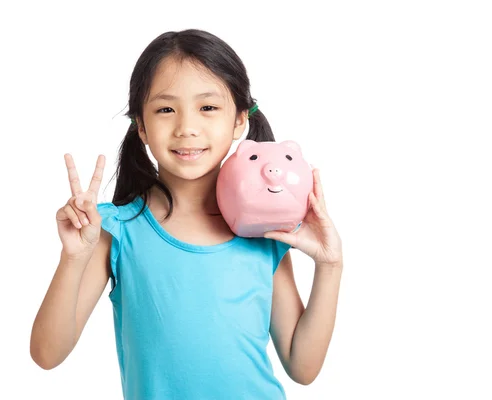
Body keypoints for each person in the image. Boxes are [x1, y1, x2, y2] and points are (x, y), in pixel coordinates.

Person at [30, 29, 343, 400]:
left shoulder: (263, 231)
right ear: (142, 126)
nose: (186, 128)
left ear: (240, 120)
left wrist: (330, 265)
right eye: (166, 109)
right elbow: (47, 355)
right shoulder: (116, 230)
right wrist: (73, 258)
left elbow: (302, 366)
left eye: (207, 107)